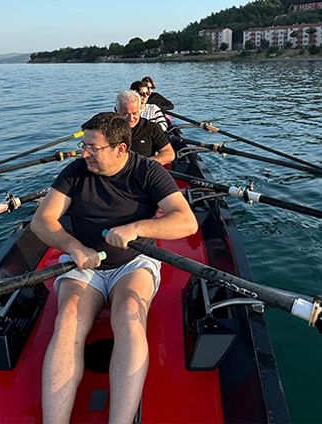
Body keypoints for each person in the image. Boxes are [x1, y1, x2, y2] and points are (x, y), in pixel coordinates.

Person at [31, 112, 198, 424]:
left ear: (121, 149)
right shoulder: (76, 172)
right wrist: (74, 247)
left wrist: (136, 228)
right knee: (67, 320)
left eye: (93, 148)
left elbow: (186, 221)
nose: (85, 153)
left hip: (133, 262)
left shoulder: (148, 170)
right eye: (85, 146)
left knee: (128, 316)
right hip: (85, 263)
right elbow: (42, 221)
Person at [115, 91, 175, 166]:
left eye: (135, 113)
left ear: (140, 110)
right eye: (126, 114)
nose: (131, 118)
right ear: (116, 111)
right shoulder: (109, 129)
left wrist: (143, 164)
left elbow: (169, 154)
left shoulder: (152, 128)